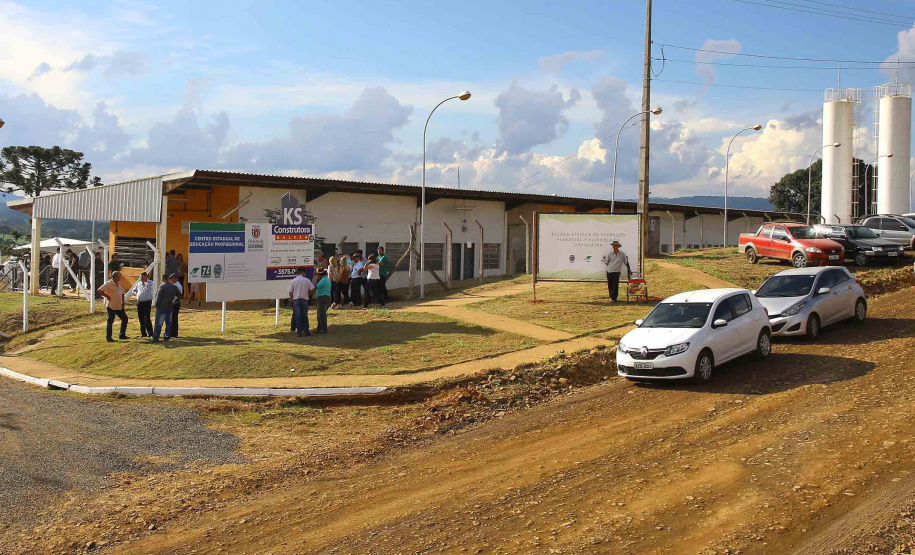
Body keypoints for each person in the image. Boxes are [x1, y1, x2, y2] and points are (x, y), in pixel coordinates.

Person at [97, 271, 129, 342]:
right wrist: (107, 296)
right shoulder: (108, 284)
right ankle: (109, 337)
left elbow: (122, 294)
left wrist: (123, 302)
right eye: (119, 276)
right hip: (111, 306)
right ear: (115, 277)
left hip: (119, 306)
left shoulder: (119, 284)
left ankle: (122, 334)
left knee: (125, 319)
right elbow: (99, 290)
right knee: (110, 321)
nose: (120, 277)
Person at [152, 274, 181, 342]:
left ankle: (156, 337)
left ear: (163, 279)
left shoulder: (161, 287)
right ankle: (167, 336)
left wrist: (157, 306)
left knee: (158, 323)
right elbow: (179, 296)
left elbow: (158, 298)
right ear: (168, 279)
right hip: (169, 306)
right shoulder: (174, 287)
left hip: (161, 307)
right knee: (168, 323)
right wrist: (174, 302)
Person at [288, 267, 315, 337]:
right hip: (305, 299)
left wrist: (292, 299)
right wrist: (308, 295)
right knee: (305, 316)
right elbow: (313, 288)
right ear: (303, 272)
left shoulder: (293, 281)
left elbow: (290, 292)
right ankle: (306, 331)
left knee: (298, 316)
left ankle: (299, 332)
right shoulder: (307, 280)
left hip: (296, 300)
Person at [130, 272, 155, 338]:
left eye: (142, 277)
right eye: (140, 277)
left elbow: (150, 288)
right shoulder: (138, 284)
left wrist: (145, 283)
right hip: (140, 302)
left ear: (146, 276)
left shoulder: (151, 283)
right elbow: (133, 290)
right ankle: (143, 333)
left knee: (147, 317)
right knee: (141, 318)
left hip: (147, 302)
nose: (141, 279)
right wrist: (134, 292)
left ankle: (150, 332)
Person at [314, 267, 332, 333]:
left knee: (321, 314)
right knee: (320, 314)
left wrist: (316, 280)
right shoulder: (326, 279)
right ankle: (320, 328)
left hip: (322, 298)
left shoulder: (324, 280)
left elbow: (316, 286)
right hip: (324, 297)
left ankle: (323, 329)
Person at [171, 273, 183, 338]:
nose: (170, 280)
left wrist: (173, 301)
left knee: (174, 318)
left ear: (175, 279)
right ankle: (172, 332)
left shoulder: (178, 286)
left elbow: (177, 296)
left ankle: (174, 333)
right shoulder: (174, 285)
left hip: (175, 303)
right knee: (172, 318)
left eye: (171, 279)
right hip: (172, 303)